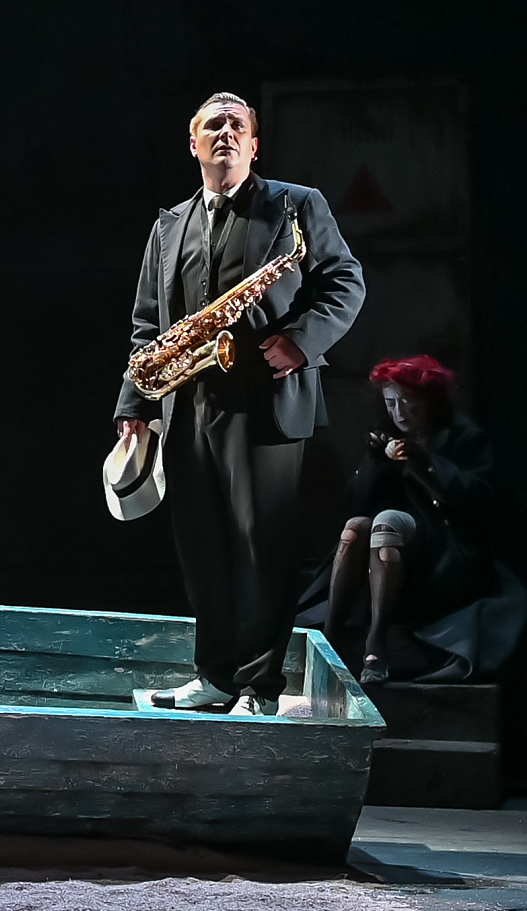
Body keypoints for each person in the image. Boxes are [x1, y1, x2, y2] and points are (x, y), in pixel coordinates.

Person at [115, 92, 366, 716]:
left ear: (254, 145)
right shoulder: (168, 226)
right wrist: (135, 402)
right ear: (193, 143)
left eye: (237, 125)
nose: (224, 132)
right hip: (187, 403)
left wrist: (301, 341)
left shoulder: (296, 205)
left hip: (267, 399)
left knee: (262, 548)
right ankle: (216, 676)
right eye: (212, 125)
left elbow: (345, 281)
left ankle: (258, 687)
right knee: (202, 548)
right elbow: (147, 322)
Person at [304, 355, 524, 684]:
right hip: (391, 544)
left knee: (387, 520)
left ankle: (376, 642)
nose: (400, 412)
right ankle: (332, 636)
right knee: (355, 527)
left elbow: (478, 500)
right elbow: (357, 502)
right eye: (391, 403)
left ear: (430, 400)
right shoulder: (385, 439)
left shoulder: (463, 437)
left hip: (445, 549)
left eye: (409, 402)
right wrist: (377, 461)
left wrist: (426, 464)